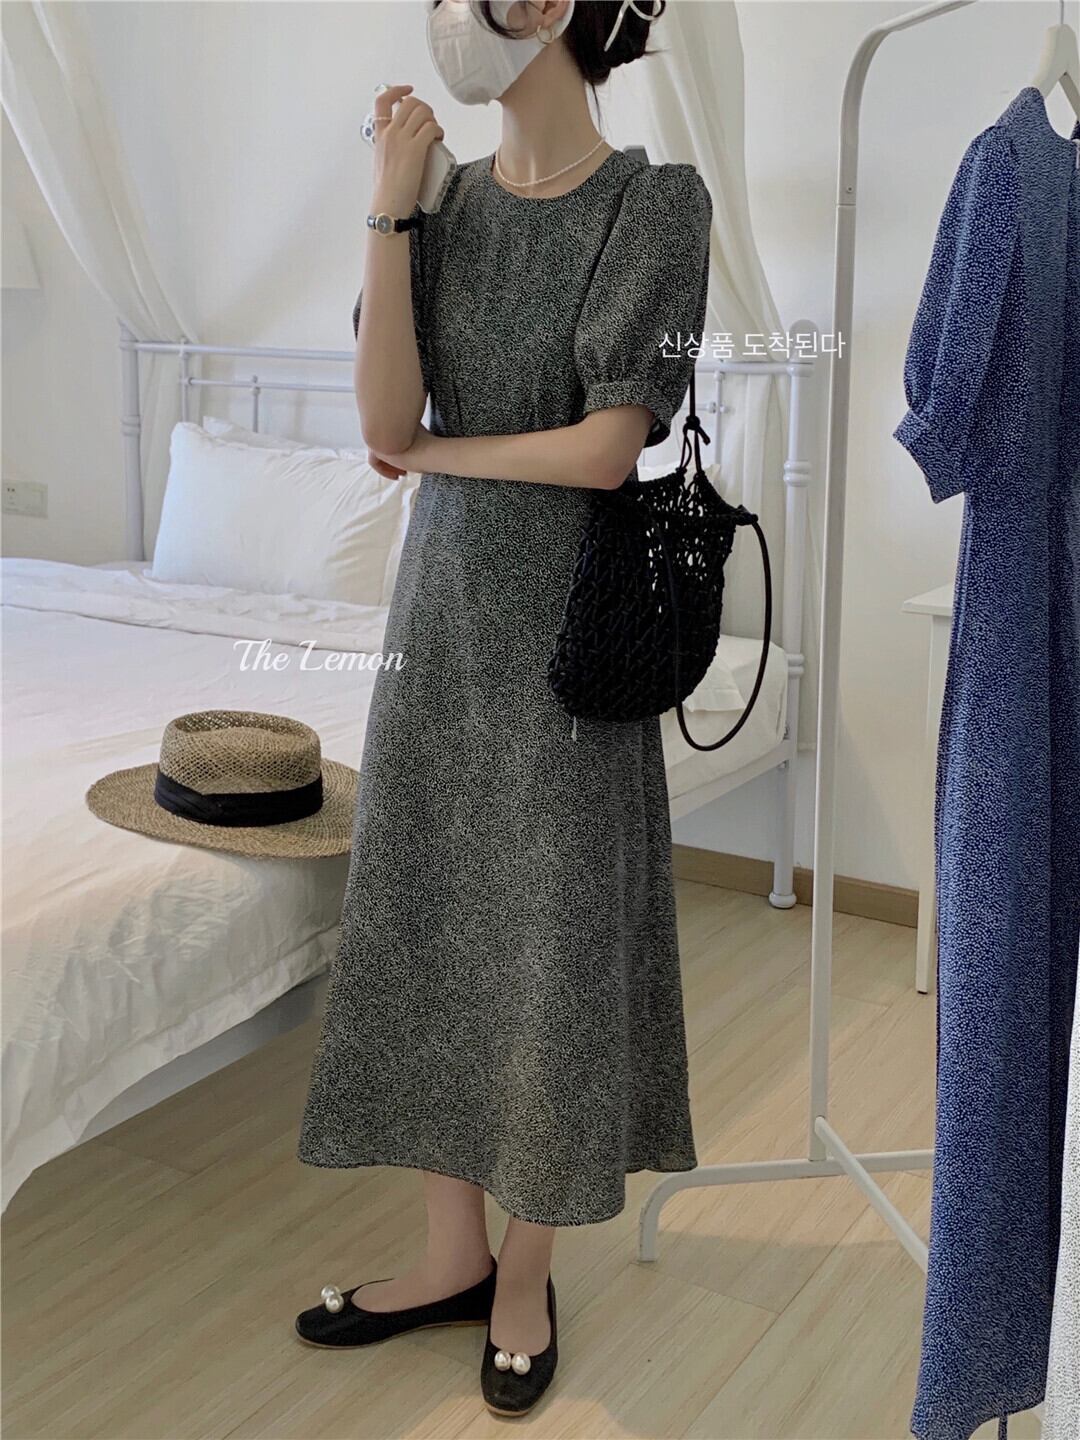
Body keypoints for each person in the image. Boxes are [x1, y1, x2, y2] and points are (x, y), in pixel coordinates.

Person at [295, 0, 713, 1415]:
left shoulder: (655, 204)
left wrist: (442, 457)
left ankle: (525, 1274)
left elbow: (607, 449)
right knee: (428, 931)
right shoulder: (443, 206)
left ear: (561, 11)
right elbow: (381, 425)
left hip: (573, 646)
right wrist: (392, 205)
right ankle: (449, 1256)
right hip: (442, 631)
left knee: (552, 957)